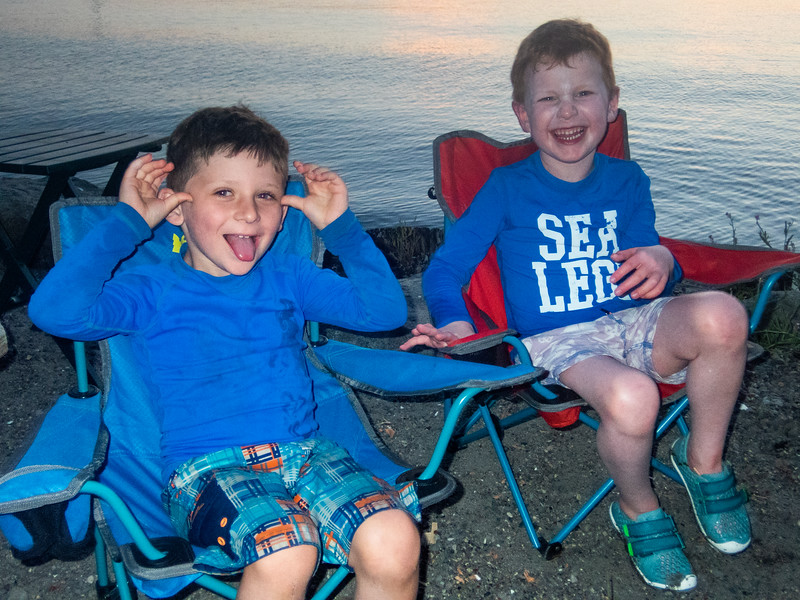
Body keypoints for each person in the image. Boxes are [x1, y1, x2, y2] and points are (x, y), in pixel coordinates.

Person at [401, 19, 750, 592]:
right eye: (548, 99)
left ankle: (704, 463)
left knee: (725, 315)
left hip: (634, 321)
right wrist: (456, 323)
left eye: (583, 93)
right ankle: (636, 508)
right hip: (557, 342)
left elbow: (649, 261)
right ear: (523, 115)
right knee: (634, 397)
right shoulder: (506, 188)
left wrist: (663, 259)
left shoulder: (628, 179)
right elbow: (445, 270)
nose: (567, 112)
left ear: (611, 104)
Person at [29, 105, 421, 600]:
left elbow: (383, 312)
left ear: (284, 211)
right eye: (223, 193)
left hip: (308, 457)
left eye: (266, 195)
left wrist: (340, 226)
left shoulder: (290, 276)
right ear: (176, 209)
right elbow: (55, 311)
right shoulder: (151, 288)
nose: (249, 212)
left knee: (394, 538)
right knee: (286, 549)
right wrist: (128, 222)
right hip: (207, 474)